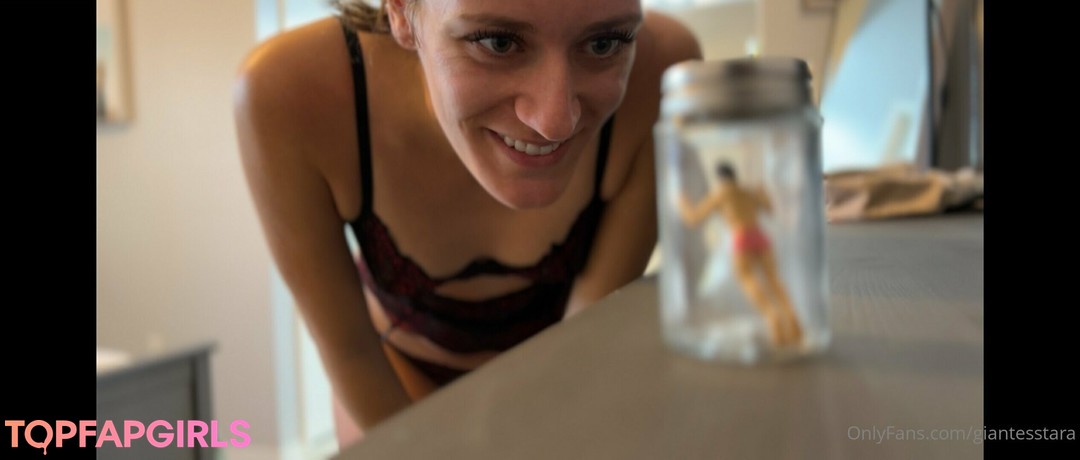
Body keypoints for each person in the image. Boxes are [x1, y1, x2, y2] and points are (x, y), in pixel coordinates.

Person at [233, 0, 701, 445]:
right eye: (498, 42)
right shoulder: (290, 93)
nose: (555, 121)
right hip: (394, 375)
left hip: (564, 366)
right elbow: (352, 352)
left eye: (604, 44)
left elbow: (582, 347)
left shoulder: (666, 74)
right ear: (401, 10)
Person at [677, 162, 803, 348]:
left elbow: (693, 218)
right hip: (760, 236)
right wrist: (763, 193)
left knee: (747, 279)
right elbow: (769, 210)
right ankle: (793, 322)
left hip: (741, 238)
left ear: (719, 178)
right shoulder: (746, 191)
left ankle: (772, 316)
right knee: (774, 280)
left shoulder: (721, 193)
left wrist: (682, 201)